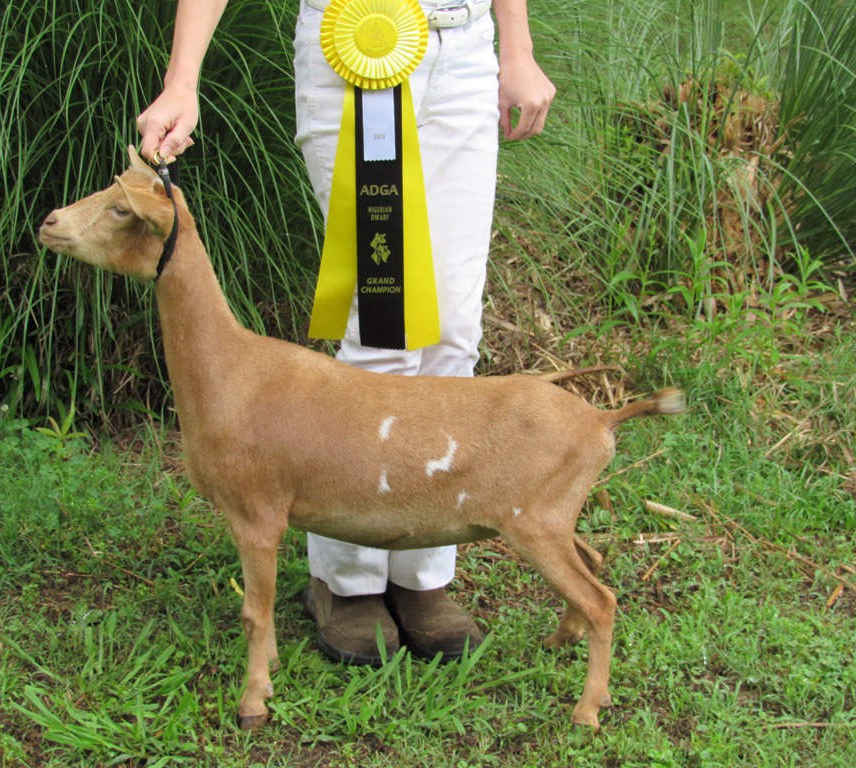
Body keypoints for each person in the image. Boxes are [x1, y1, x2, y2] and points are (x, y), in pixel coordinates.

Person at [137, 0, 555, 666]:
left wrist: (517, 46)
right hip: (358, 47)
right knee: (386, 328)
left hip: (468, 51)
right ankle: (348, 581)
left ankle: (421, 572)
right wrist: (182, 79)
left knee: (452, 333)